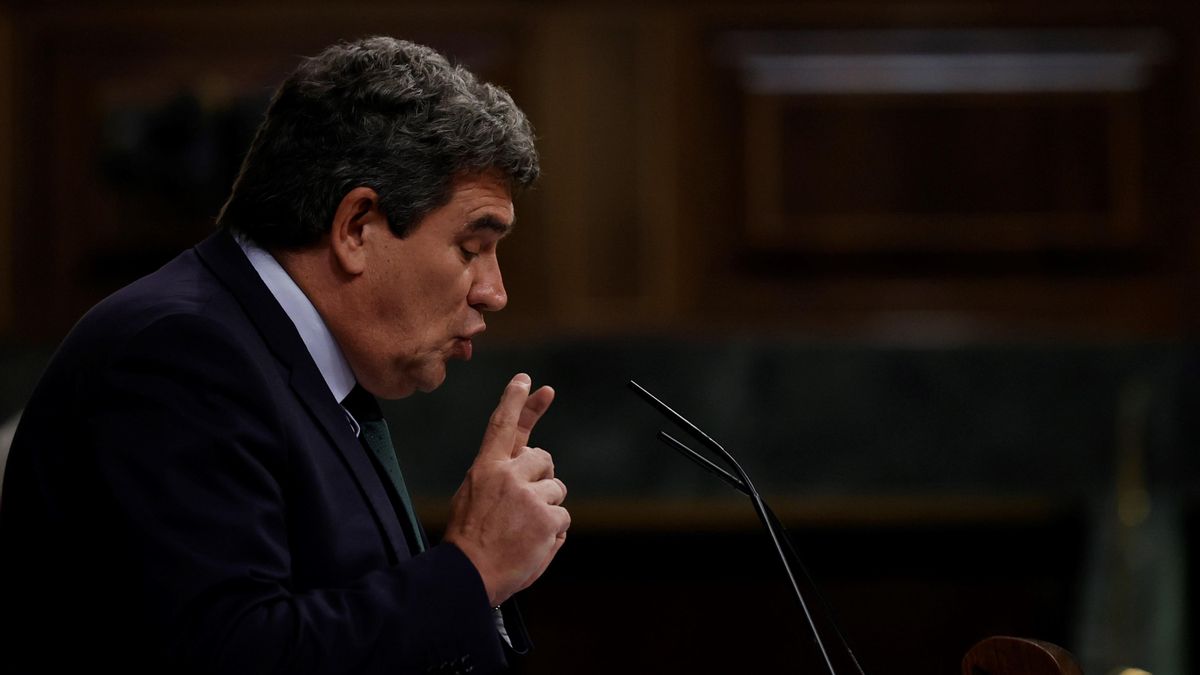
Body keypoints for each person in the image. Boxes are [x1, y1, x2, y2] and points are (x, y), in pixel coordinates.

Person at [0, 36, 569, 675]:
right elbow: (235, 657)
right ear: (357, 227)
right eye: (472, 247)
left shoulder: (294, 359)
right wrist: (473, 570)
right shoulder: (179, 354)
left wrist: (477, 579)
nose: (495, 292)